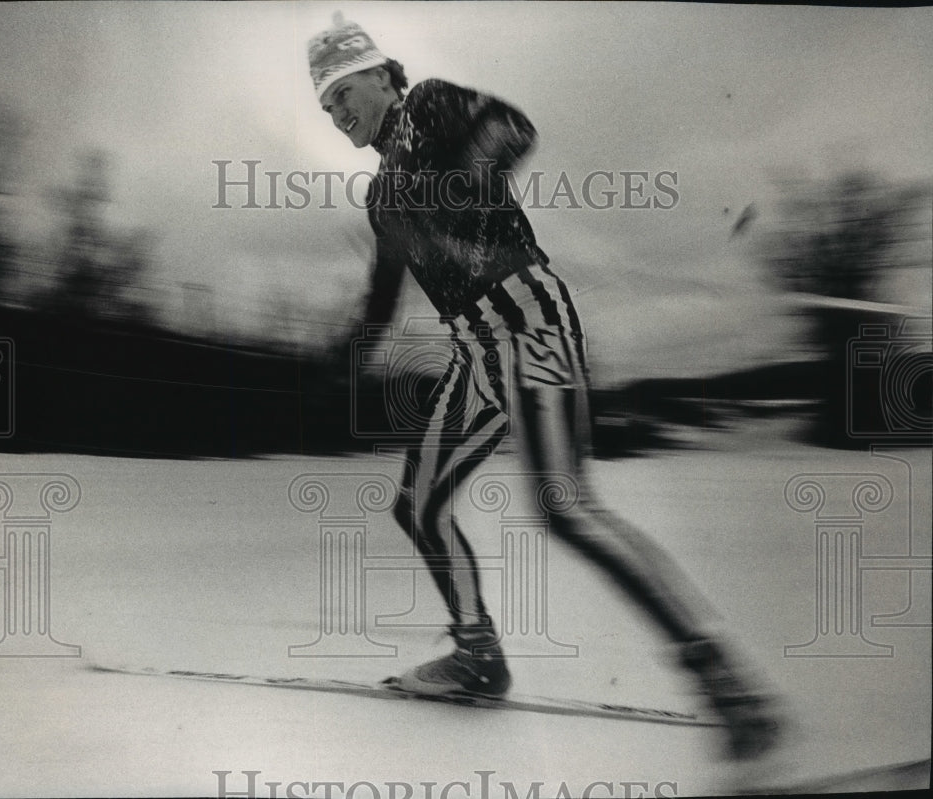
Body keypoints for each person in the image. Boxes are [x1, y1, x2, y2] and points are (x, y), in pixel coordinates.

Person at [307, 13, 781, 761]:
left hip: (530, 325)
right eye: (326, 106)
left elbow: (510, 127)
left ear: (382, 74)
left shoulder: (427, 106)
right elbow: (385, 287)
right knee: (418, 507)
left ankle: (722, 675)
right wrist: (347, 353)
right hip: (476, 354)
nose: (338, 114)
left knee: (566, 509)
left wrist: (465, 179)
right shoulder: (382, 196)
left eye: (344, 92)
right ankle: (478, 656)